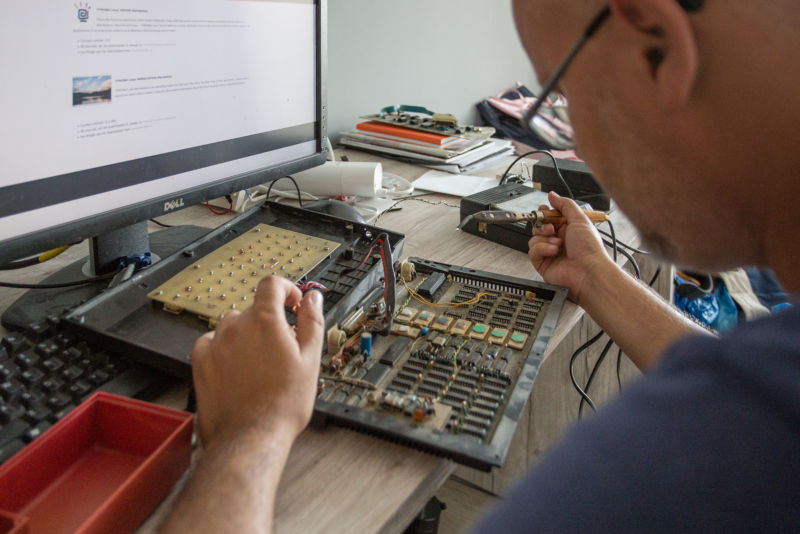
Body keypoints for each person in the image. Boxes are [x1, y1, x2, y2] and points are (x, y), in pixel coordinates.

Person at [160, 0, 800, 531]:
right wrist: (598, 279)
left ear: (659, 43)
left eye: (564, 96)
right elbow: (746, 378)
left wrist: (249, 437)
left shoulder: (714, 454)